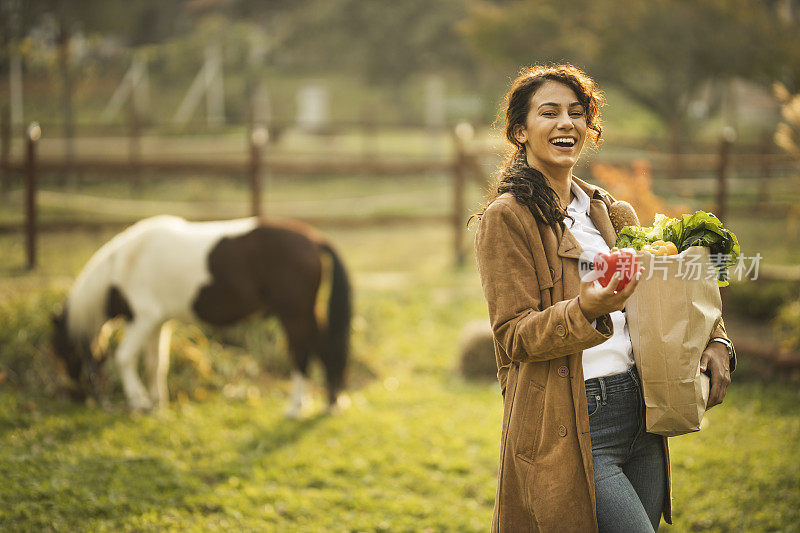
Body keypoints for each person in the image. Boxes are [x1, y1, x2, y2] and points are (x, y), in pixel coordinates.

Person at [472, 64, 736, 532]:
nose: (565, 123)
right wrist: (586, 310)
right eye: (548, 113)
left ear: (589, 128)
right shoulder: (507, 217)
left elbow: (667, 289)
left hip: (642, 411)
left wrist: (716, 338)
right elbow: (513, 336)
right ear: (520, 130)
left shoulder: (610, 210)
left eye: (577, 113)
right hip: (572, 420)